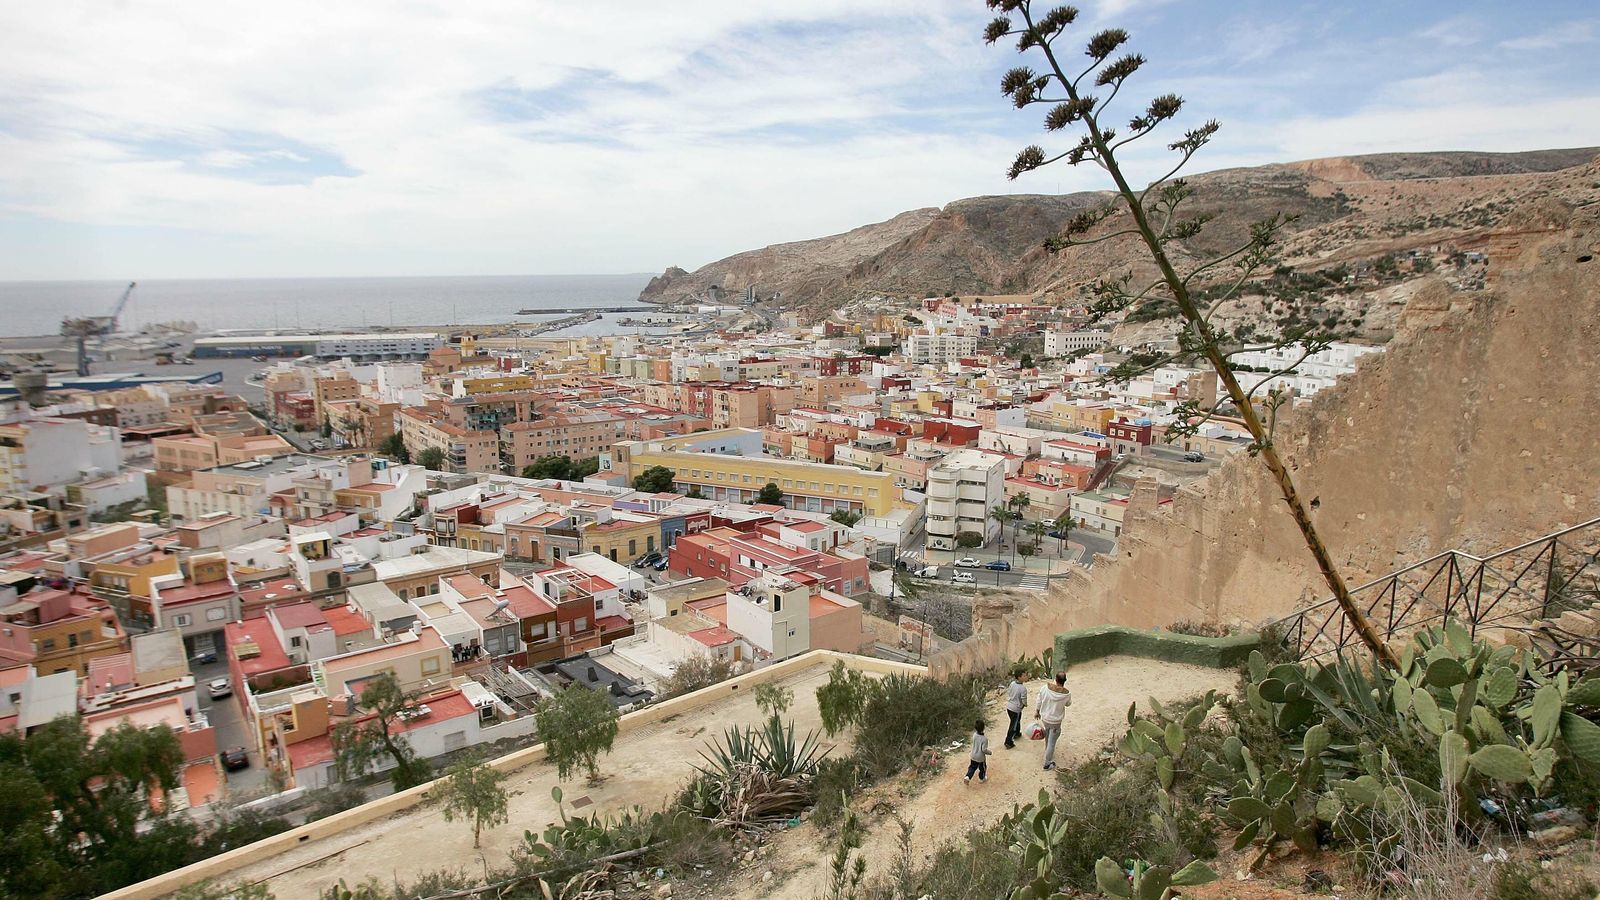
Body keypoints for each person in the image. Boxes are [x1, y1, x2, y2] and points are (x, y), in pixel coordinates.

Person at [1034, 670, 1072, 770]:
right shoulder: (1066, 694)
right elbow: (1068, 704)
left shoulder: (1045, 688)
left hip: (1045, 718)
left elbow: (1039, 700)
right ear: (1065, 680)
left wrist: (1037, 711)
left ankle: (1047, 752)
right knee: (1052, 741)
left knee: (1047, 735)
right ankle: (1047, 763)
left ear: (1055, 679)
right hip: (1056, 721)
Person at [1003, 670, 1028, 749]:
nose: (1026, 677)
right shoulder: (1023, 688)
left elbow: (1009, 692)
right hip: (1016, 709)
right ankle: (1008, 742)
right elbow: (1023, 700)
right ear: (1019, 677)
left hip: (1009, 707)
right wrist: (1024, 705)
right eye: (1024, 675)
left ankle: (1017, 733)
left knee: (1017, 720)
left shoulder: (1012, 684)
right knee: (1013, 725)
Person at [965, 719, 991, 783]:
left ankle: (968, 777)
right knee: (983, 768)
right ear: (984, 728)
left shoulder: (974, 735)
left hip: (973, 755)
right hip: (980, 758)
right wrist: (989, 752)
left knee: (972, 767)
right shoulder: (984, 739)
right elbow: (984, 750)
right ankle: (982, 778)